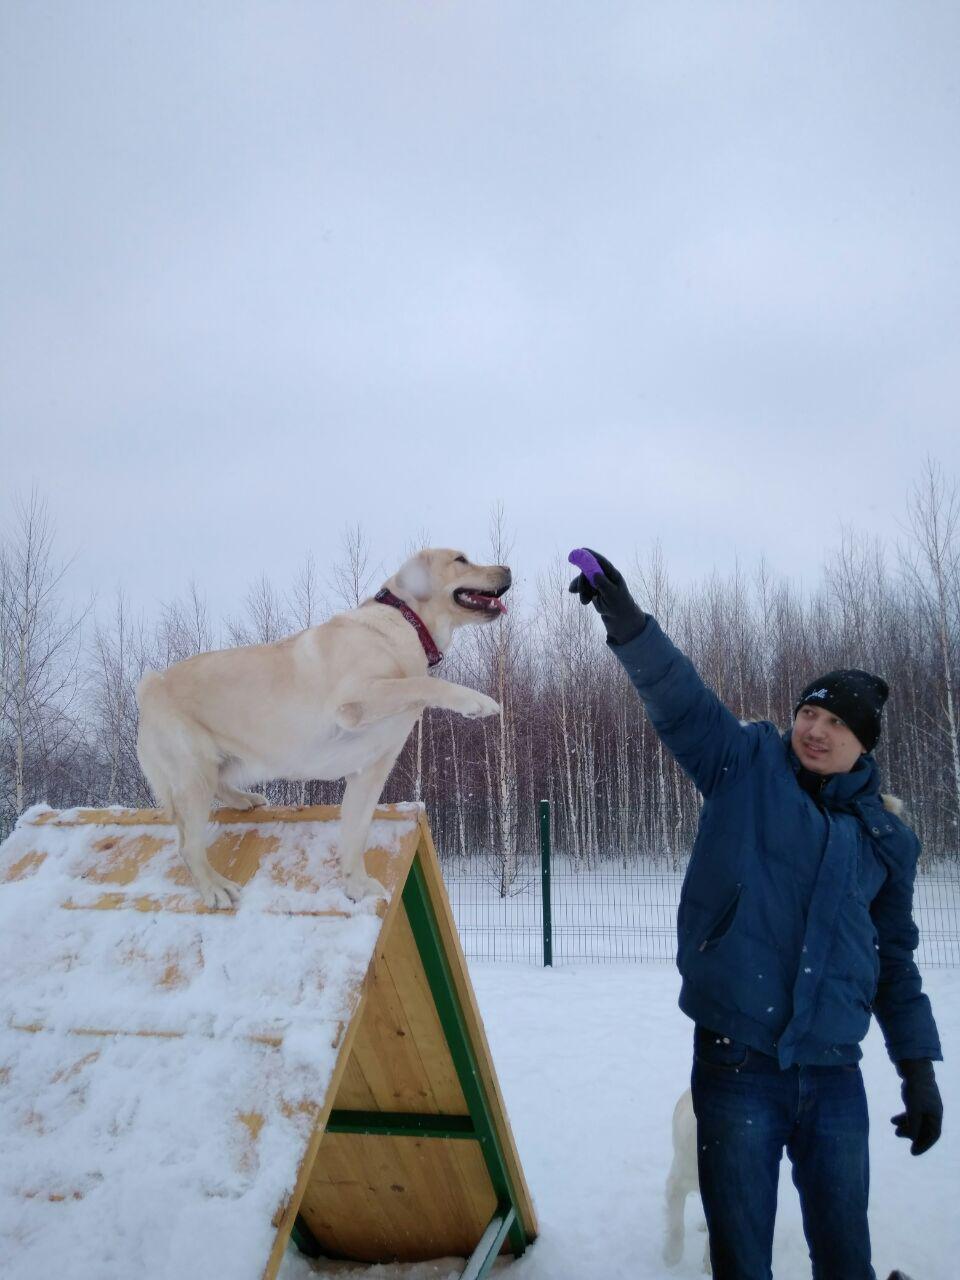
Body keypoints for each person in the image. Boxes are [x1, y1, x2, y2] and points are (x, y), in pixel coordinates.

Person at [570, 551, 943, 1280]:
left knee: (846, 1255)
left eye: (836, 721)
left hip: (834, 1069)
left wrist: (918, 1069)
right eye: (809, 711)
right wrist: (627, 623)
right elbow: (680, 700)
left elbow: (893, 961)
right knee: (740, 1257)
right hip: (738, 1060)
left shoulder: (887, 840)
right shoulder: (744, 764)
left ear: (863, 743)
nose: (814, 728)